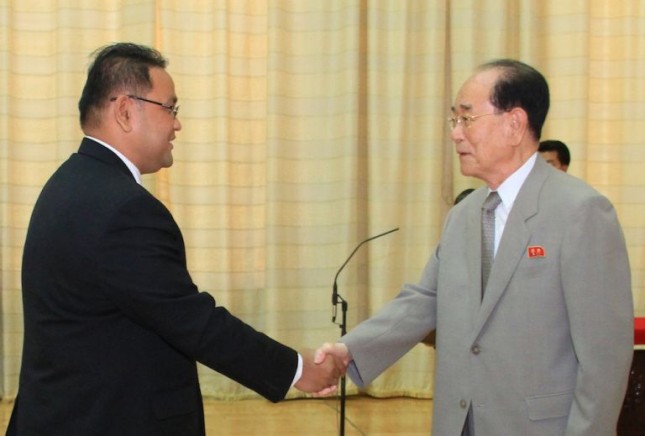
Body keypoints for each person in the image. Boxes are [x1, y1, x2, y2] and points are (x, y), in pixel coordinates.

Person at [7, 42, 341, 435]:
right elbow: (192, 321)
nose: (177, 124)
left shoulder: (69, 184)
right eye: (171, 108)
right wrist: (297, 369)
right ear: (126, 111)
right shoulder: (123, 209)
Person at [316, 59, 633, 435]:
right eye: (454, 121)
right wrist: (350, 350)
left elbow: (604, 356)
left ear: (514, 124)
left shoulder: (580, 212)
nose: (455, 134)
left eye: (466, 119)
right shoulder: (464, 215)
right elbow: (425, 300)